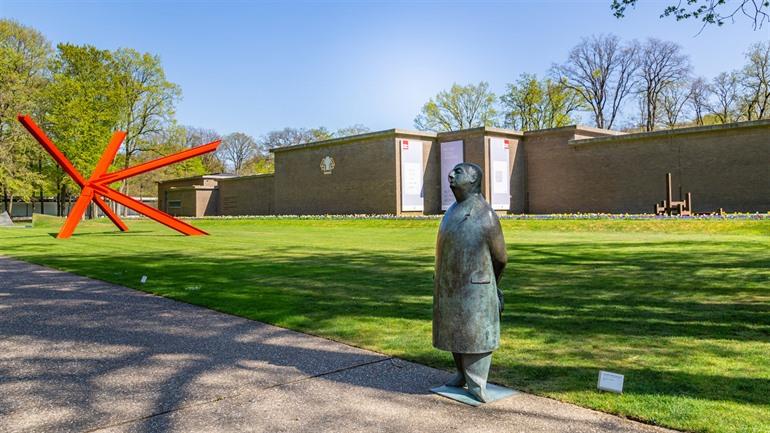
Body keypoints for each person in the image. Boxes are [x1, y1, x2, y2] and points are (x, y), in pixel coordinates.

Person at [433, 162, 507, 403]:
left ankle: (477, 382)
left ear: (474, 179)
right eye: (452, 171)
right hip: (450, 284)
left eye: (458, 172)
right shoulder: (452, 211)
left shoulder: (485, 214)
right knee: (453, 328)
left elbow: (500, 258)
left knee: (476, 333)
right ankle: (461, 374)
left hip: (476, 286)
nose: (450, 175)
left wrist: (491, 285)